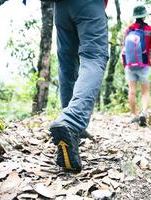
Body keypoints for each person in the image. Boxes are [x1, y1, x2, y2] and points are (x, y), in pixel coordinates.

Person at [49, 0, 109, 172]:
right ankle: (71, 121)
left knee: (67, 64)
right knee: (94, 57)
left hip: (60, 8)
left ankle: (69, 127)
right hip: (89, 5)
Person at [122, 5, 151, 126]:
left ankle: (133, 115)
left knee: (132, 91)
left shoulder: (128, 30)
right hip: (144, 64)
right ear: (144, 16)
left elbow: (123, 48)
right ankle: (143, 113)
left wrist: (125, 64)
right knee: (145, 92)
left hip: (130, 65)